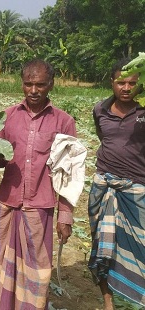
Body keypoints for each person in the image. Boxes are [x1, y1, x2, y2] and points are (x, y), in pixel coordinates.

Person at [0, 59, 75, 309]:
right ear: (22, 85)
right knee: (5, 262)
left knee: (37, 266)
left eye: (40, 84)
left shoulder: (63, 122)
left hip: (40, 206)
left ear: (51, 84)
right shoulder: (6, 117)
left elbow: (68, 175)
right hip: (9, 201)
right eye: (28, 84)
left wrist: (66, 216)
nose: (34, 90)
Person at [88, 58, 145, 309]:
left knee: (139, 249)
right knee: (103, 247)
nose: (126, 87)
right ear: (111, 82)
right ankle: (108, 302)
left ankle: (135, 297)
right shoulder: (100, 109)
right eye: (120, 82)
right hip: (104, 187)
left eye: (132, 83)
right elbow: (104, 139)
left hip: (136, 190)